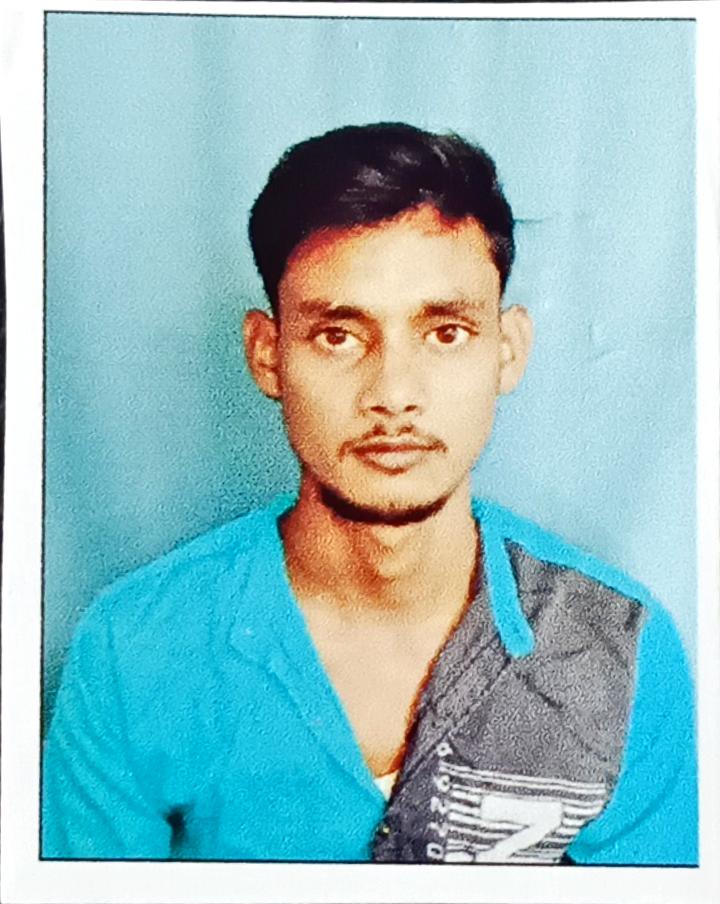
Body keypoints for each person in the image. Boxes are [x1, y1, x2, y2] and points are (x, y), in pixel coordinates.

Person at [42, 123, 697, 865]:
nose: (393, 394)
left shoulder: (621, 650)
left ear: (507, 350)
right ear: (267, 354)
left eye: (445, 333)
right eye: (339, 336)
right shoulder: (135, 649)